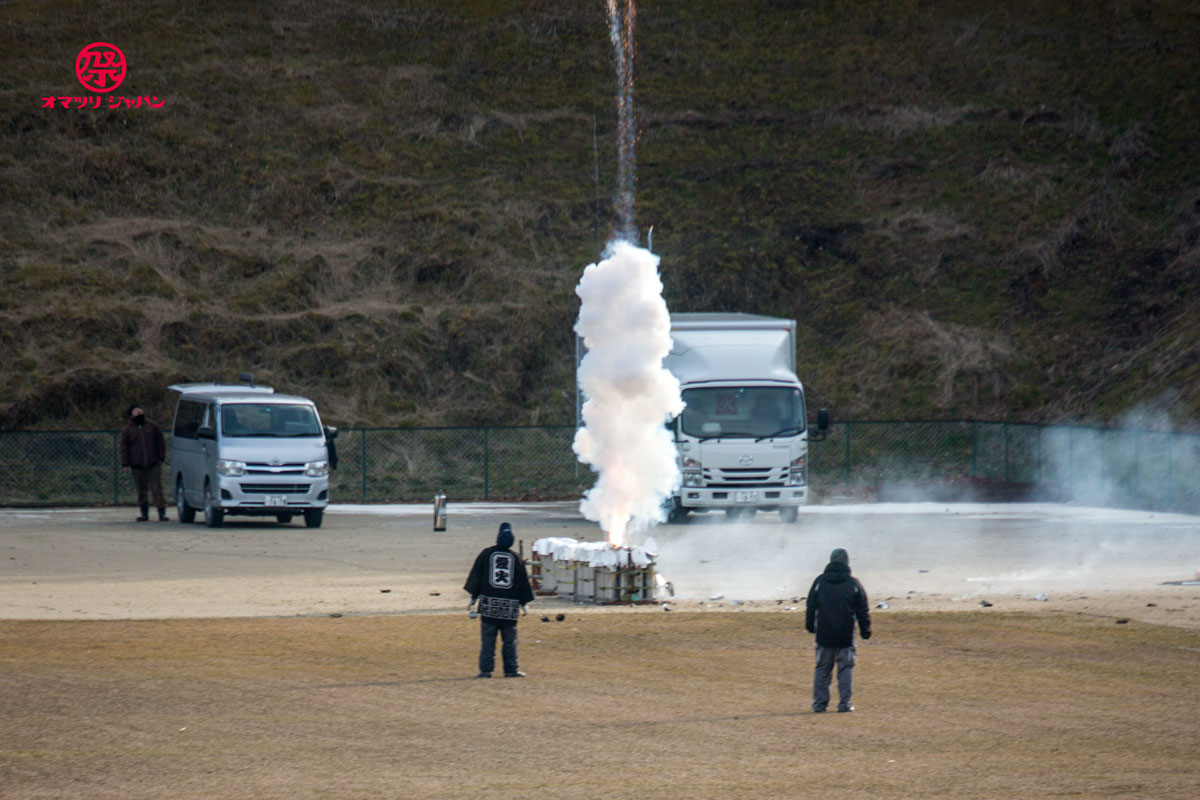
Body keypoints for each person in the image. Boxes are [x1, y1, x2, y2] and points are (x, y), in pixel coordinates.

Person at [464, 522, 534, 678]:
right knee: (510, 641)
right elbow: (523, 583)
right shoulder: (515, 558)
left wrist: (473, 597)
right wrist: (524, 603)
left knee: (488, 641)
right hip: (509, 609)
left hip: (489, 607)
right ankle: (511, 669)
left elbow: (477, 577)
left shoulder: (486, 554)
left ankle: (485, 670)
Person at [805, 547, 871, 712]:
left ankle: (819, 705)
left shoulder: (820, 582)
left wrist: (810, 626)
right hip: (846, 634)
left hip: (824, 633)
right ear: (847, 562)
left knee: (822, 668)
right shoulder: (853, 584)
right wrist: (865, 631)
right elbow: (863, 610)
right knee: (845, 668)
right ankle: (844, 704)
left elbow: (811, 605)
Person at [119, 403, 169, 522]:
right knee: (141, 490)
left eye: (140, 411)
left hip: (153, 463)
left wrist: (161, 458)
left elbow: (160, 442)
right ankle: (144, 514)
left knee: (157, 489)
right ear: (131, 415)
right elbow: (124, 448)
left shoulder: (152, 426)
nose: (139, 413)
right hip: (137, 465)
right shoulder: (128, 430)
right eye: (136, 411)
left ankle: (161, 513)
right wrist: (125, 464)